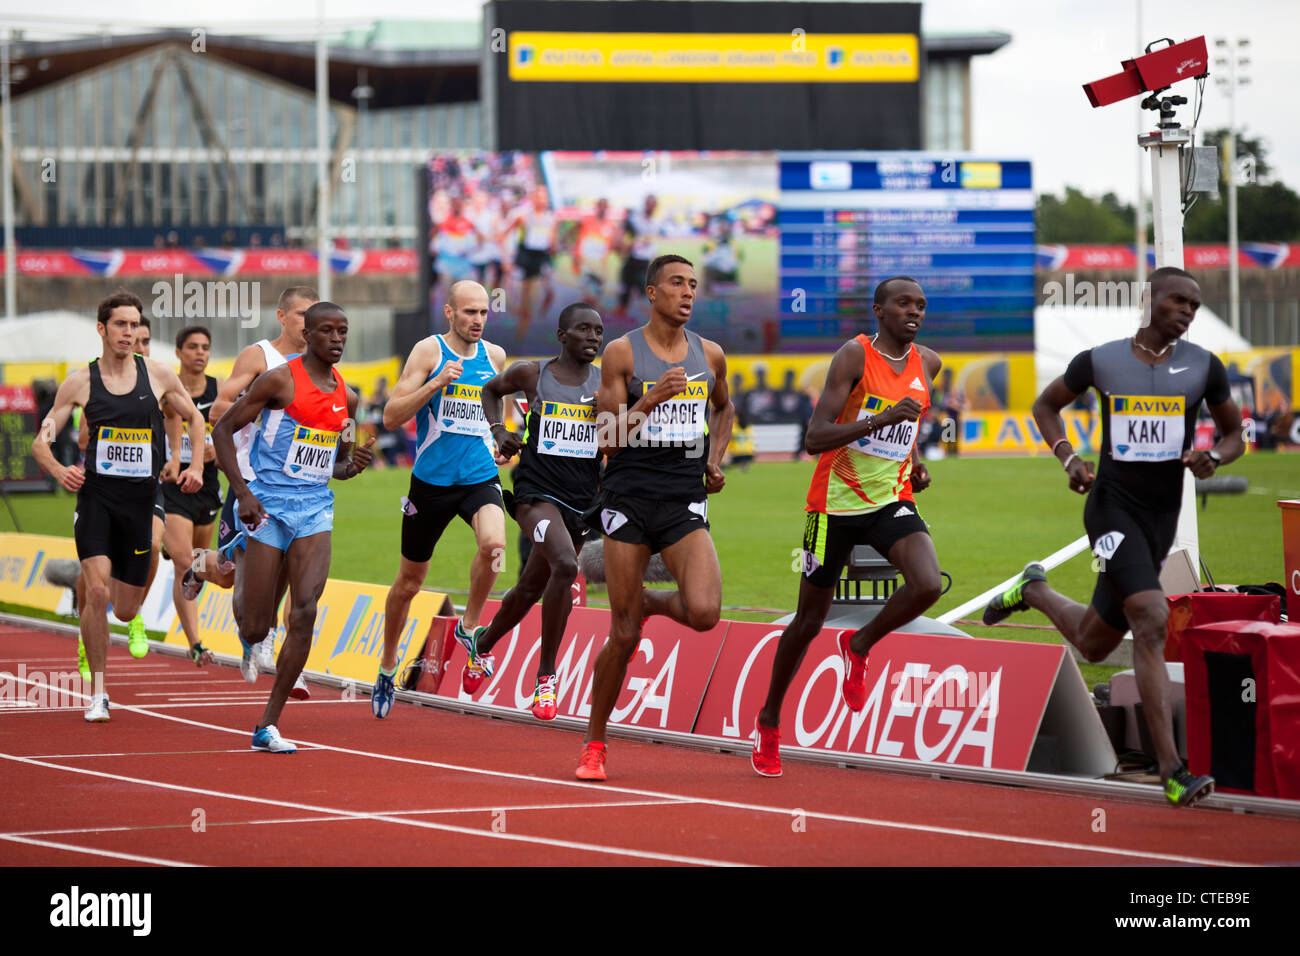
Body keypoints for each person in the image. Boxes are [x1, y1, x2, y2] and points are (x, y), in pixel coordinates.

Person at [983, 266, 1244, 807]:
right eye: (1179, 301)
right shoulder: (1100, 359)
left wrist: (1213, 455)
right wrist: (1069, 457)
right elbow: (1045, 405)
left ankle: (1032, 590)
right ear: (1150, 300)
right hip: (1110, 507)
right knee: (1150, 617)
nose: (1189, 312)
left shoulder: (1204, 367)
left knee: (1096, 643)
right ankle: (1172, 770)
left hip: (1159, 516)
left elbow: (1234, 432)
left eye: (1195, 306)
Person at [752, 277, 943, 778]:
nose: (914, 311)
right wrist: (880, 423)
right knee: (808, 621)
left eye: (921, 305)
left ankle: (859, 645)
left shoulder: (930, 363)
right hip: (831, 507)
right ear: (879, 311)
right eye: (903, 303)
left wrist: (915, 458)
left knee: (926, 583)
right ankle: (770, 719)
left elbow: (908, 423)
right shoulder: (853, 357)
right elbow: (815, 437)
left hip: (890, 500)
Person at [575, 254, 734, 781]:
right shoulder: (622, 354)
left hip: (684, 500)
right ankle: (594, 744)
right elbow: (606, 441)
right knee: (622, 635)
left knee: (706, 612)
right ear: (651, 292)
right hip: (629, 500)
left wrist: (714, 459)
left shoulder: (710, 354)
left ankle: (650, 602)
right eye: (676, 283)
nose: (687, 292)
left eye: (693, 284)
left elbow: (724, 408)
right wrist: (652, 400)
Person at [31, 290, 205, 722]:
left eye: (134, 325)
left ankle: (109, 602)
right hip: (96, 499)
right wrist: (59, 470)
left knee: (125, 608)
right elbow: (42, 440)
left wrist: (195, 463)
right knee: (98, 589)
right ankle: (99, 694)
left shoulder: (159, 375)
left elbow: (197, 418)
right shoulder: (81, 382)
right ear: (102, 330)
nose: (128, 333)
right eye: (120, 325)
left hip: (141, 503)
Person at [211, 302, 374, 753]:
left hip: (315, 511)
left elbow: (337, 464)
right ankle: (237, 556)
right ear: (307, 334)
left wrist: (351, 464)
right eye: (327, 331)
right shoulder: (280, 379)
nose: (337, 339)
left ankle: (268, 724)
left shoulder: (350, 396)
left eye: (343, 331)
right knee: (257, 627)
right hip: (267, 509)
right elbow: (223, 430)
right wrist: (243, 493)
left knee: (305, 612)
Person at [370, 280, 508, 718]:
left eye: (484, 313)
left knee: (494, 546)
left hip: (478, 478)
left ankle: (469, 626)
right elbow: (391, 416)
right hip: (430, 484)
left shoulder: (496, 358)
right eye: (469, 313)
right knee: (409, 582)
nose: (478, 321)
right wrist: (435, 384)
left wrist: (500, 443)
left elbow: (494, 418)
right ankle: (389, 663)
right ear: (449, 313)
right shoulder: (429, 352)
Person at [466, 303, 604, 720]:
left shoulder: (609, 383)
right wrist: (499, 431)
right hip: (535, 493)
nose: (594, 337)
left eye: (599, 331)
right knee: (565, 565)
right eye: (584, 329)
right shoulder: (533, 374)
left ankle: (483, 645)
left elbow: (633, 425)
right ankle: (547, 677)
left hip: (582, 501)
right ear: (562, 336)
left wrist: (616, 414)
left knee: (529, 588)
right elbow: (490, 391)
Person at [184, 287, 317, 700]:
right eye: (301, 316)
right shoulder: (260, 357)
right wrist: (261, 406)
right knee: (231, 578)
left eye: (315, 318)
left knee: (295, 571)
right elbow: (220, 407)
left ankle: (281, 654)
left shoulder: (319, 366)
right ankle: (203, 563)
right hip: (251, 482)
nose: (308, 325)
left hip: (300, 489)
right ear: (281, 316)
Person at [159, 325, 222, 667]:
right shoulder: (164, 388)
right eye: (193, 347)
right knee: (185, 563)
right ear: (179, 352)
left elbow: (235, 431)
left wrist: (216, 451)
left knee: (198, 564)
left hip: (208, 486)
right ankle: (196, 644)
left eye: (206, 347)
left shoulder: (220, 389)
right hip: (172, 487)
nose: (200, 353)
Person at [502, 185, 556, 341]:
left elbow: (552, 244)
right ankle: (519, 334)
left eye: (544, 196)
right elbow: (504, 235)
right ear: (532, 198)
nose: (542, 200)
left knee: (546, 293)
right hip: (524, 259)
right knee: (522, 298)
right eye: (538, 196)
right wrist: (506, 259)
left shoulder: (551, 219)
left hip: (541, 259)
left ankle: (536, 320)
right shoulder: (523, 217)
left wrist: (553, 246)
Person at [615, 195, 661, 320]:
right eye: (648, 203)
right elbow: (623, 230)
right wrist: (623, 244)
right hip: (632, 258)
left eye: (652, 204)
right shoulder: (635, 219)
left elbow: (653, 243)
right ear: (644, 204)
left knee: (644, 290)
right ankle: (622, 312)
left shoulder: (655, 223)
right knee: (625, 286)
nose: (650, 206)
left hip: (644, 261)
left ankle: (655, 317)